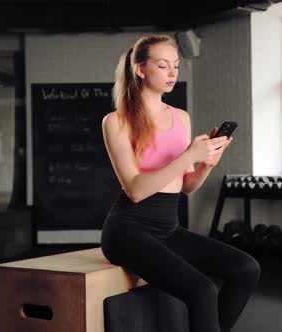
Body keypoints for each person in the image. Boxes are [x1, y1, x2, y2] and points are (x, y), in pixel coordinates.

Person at [100, 34, 261, 332]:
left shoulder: (181, 118)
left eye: (175, 66)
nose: (173, 73)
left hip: (168, 227)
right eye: (163, 66)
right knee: (202, 291)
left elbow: (186, 186)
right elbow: (134, 190)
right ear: (140, 69)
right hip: (128, 230)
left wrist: (205, 164)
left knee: (245, 269)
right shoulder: (116, 122)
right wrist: (188, 154)